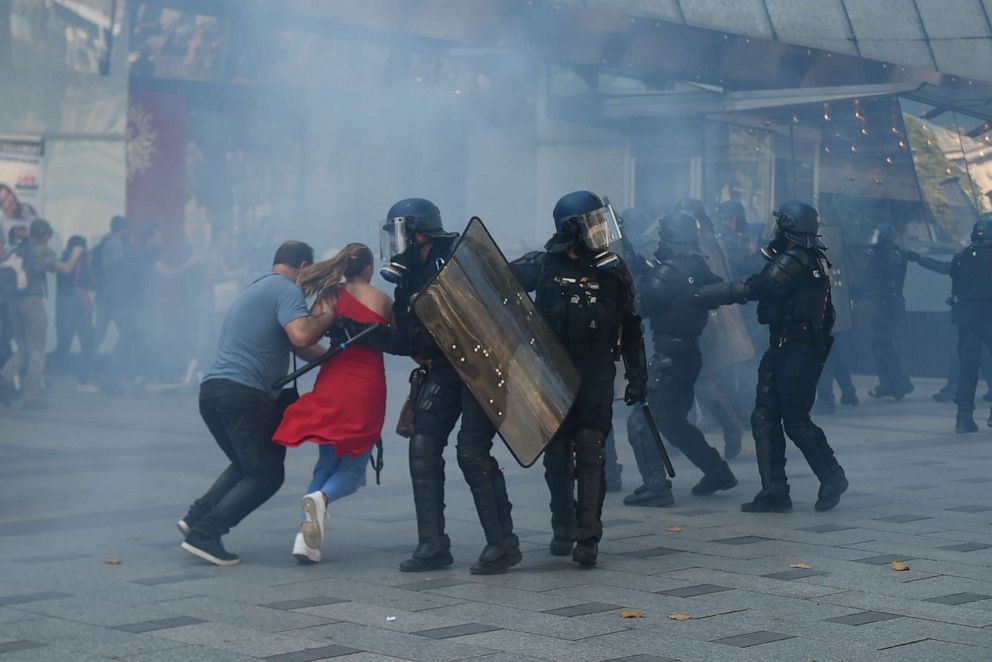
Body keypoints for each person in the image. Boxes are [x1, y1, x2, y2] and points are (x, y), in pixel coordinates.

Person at [381, 198, 522, 575]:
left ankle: (503, 544)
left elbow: (499, 310)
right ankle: (433, 545)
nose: (397, 243)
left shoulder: (462, 257)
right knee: (423, 445)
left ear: (420, 233)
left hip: (482, 366)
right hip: (444, 369)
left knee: (471, 452)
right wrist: (363, 337)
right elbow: (408, 339)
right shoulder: (407, 273)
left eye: (401, 234)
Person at [511, 191, 647, 566]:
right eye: (594, 223)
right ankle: (563, 524)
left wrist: (637, 376)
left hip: (595, 373)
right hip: (552, 375)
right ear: (573, 227)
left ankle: (588, 536)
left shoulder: (613, 270)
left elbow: (630, 326)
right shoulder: (542, 266)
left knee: (591, 451)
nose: (602, 231)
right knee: (556, 457)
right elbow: (500, 287)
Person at [178, 241, 334, 566]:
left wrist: (338, 357)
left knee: (246, 464)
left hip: (213, 391)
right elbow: (303, 336)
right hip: (243, 394)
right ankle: (206, 533)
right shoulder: (287, 290)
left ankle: (197, 517)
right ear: (304, 265)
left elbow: (301, 347)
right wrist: (329, 316)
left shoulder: (257, 288)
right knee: (266, 474)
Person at [699, 201, 847, 513]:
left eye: (780, 223)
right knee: (764, 417)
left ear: (790, 227)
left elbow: (763, 286)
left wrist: (713, 293)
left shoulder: (796, 258)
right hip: (788, 347)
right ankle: (774, 490)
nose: (774, 229)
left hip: (794, 349)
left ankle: (832, 476)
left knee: (794, 420)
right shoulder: (814, 258)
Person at [272, 244, 392, 563]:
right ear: (368, 269)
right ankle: (321, 497)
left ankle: (306, 540)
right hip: (366, 385)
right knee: (352, 470)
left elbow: (306, 337)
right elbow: (400, 341)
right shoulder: (382, 300)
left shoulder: (330, 296)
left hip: (332, 378)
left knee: (327, 463)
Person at [622, 210, 737, 508]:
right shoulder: (696, 264)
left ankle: (656, 486)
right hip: (686, 355)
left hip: (670, 356)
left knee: (641, 421)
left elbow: (639, 307)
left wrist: (635, 276)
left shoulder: (669, 271)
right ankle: (717, 471)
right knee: (673, 423)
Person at [906, 219, 992, 432]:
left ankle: (963, 417)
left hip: (966, 320)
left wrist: (918, 259)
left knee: (967, 369)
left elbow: (943, 268)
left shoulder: (964, 256)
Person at [0, 219, 84, 408]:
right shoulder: (42, 250)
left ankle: (3, 378)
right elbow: (64, 269)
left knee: (23, 348)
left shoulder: (19, 249)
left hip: (13, 303)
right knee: (37, 350)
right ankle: (32, 397)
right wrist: (75, 255)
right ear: (45, 235)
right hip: (31, 303)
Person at [854, 223, 913, 400]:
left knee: (883, 344)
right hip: (884, 304)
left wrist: (858, 290)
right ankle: (888, 383)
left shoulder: (888, 255)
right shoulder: (888, 254)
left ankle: (900, 383)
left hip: (888, 305)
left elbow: (878, 281)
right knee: (879, 344)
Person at [53, 235, 97, 390]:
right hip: (78, 305)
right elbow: (91, 283)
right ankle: (83, 382)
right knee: (88, 343)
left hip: (64, 306)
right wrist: (90, 263)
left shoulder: (64, 258)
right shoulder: (81, 261)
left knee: (63, 345)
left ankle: (43, 377)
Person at [91, 215, 130, 354]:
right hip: (112, 298)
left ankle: (85, 368)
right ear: (123, 229)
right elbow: (120, 267)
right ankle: (113, 369)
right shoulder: (116, 243)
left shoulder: (106, 241)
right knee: (128, 331)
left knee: (99, 333)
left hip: (104, 295)